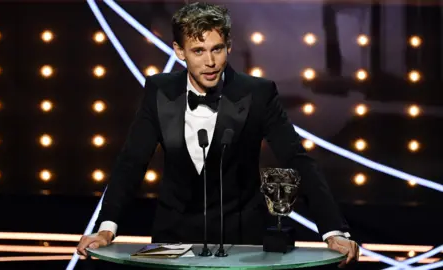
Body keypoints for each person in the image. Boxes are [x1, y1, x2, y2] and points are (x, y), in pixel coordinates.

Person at [77, 2, 359, 268]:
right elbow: (131, 163)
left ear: (229, 47)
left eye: (217, 49)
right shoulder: (159, 91)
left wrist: (333, 231)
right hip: (174, 240)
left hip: (243, 242)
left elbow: (297, 160)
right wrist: (106, 229)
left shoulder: (257, 93)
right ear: (179, 51)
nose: (210, 61)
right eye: (198, 51)